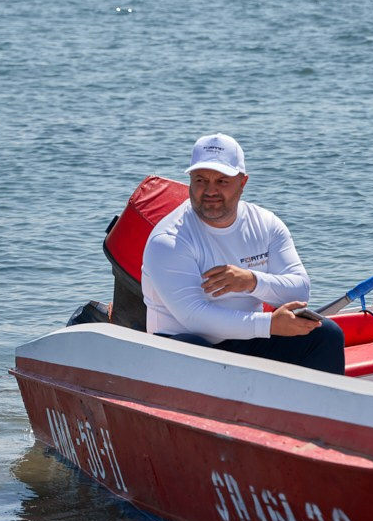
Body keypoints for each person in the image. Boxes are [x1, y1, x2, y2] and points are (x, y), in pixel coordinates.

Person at [141, 133, 345, 375]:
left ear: (243, 182)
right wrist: (269, 325)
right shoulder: (168, 239)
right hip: (180, 343)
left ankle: (312, 411)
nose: (210, 190)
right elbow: (194, 319)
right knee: (198, 349)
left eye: (222, 181)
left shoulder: (267, 224)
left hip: (246, 338)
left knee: (327, 335)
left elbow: (300, 291)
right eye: (200, 180)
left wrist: (251, 281)